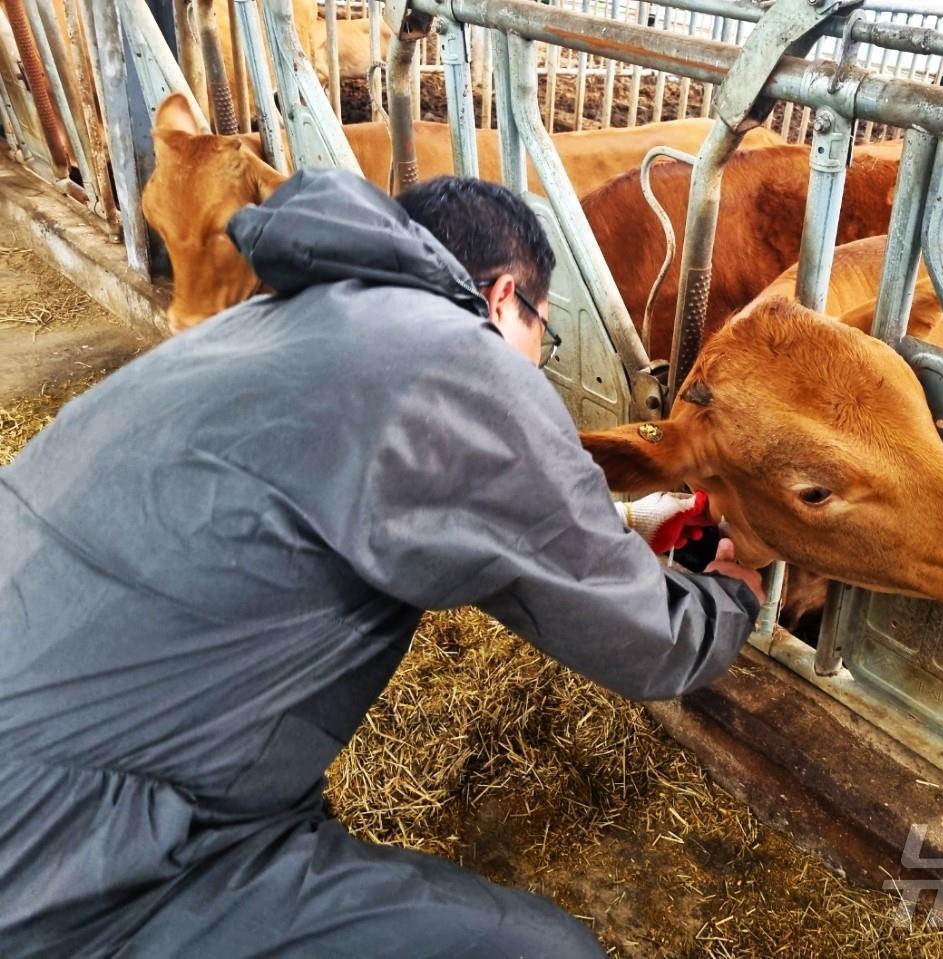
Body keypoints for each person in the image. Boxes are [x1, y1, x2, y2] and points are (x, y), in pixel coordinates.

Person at [0, 170, 763, 957]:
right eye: (546, 336)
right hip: (78, 853)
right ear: (505, 298)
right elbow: (644, 637)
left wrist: (615, 521)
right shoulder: (457, 361)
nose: (535, 365)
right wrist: (728, 598)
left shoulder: (272, 323)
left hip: (97, 745)